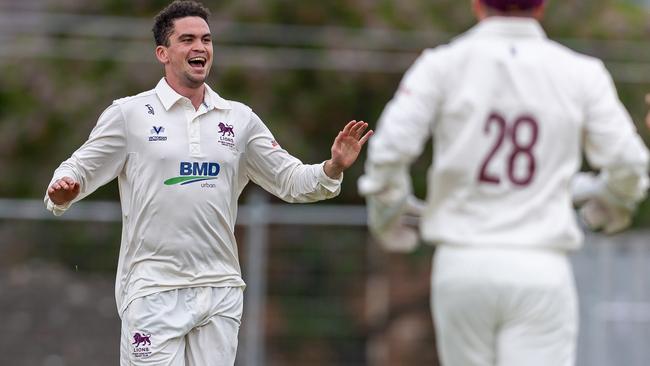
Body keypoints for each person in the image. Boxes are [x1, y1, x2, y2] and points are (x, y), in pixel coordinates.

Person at [44, 1, 372, 365]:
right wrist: (64, 188)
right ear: (163, 53)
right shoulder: (130, 114)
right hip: (154, 288)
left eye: (206, 39)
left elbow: (290, 179)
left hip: (220, 289)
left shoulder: (239, 119)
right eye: (187, 39)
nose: (200, 47)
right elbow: (79, 168)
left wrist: (331, 167)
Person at [358, 0, 649, 365]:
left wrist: (389, 214)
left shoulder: (442, 65)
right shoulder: (581, 72)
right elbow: (628, 162)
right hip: (540, 264)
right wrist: (612, 204)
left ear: (477, 4)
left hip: (463, 262)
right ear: (542, 6)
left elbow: (388, 152)